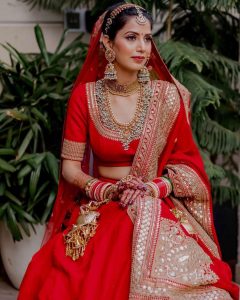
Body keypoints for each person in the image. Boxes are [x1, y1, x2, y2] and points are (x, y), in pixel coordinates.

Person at [18, 2, 239, 299]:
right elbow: (70, 169)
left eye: (147, 38)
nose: (142, 47)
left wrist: (154, 187)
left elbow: (189, 167)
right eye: (132, 37)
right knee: (63, 281)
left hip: (153, 202)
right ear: (108, 44)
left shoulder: (167, 97)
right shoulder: (86, 97)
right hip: (104, 203)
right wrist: (108, 191)